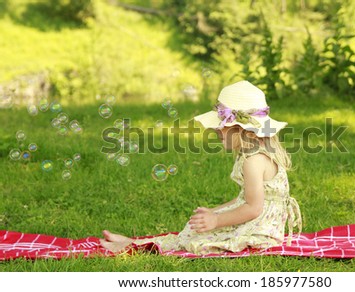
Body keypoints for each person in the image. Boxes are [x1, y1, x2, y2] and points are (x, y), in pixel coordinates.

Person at [100, 80, 302, 255]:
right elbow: (245, 199)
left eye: (220, 125)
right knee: (195, 228)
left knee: (197, 240)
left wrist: (217, 220)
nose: (216, 129)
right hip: (261, 223)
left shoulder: (253, 161)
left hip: (261, 231)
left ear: (241, 128)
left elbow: (253, 208)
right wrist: (215, 212)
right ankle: (135, 244)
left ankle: (133, 247)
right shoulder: (251, 153)